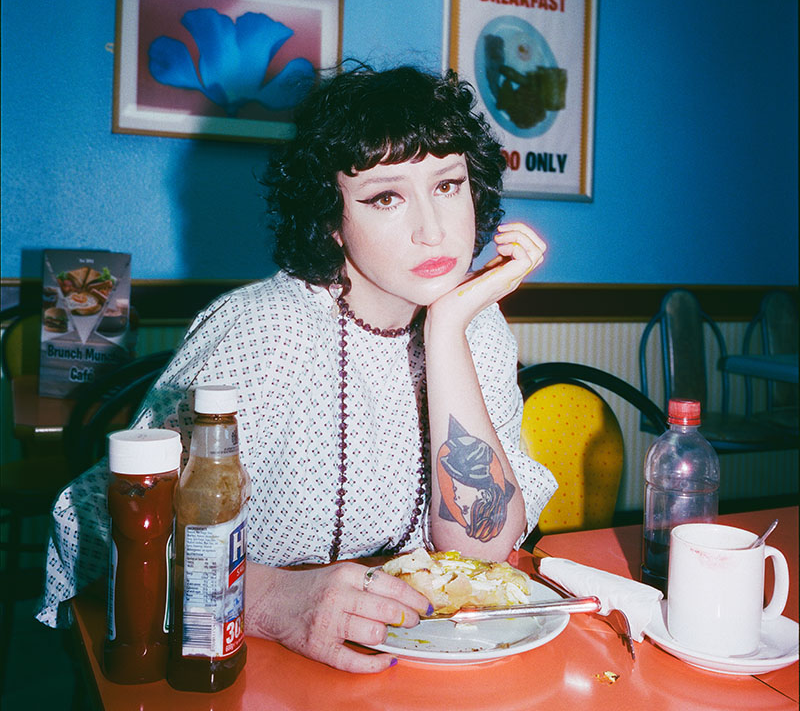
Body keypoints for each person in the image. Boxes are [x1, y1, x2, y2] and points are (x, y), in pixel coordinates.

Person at [36, 63, 557, 672]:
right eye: (386, 197)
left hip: (401, 661)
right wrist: (272, 601)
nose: (433, 231)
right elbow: (109, 529)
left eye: (447, 186)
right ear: (331, 220)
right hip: (230, 653)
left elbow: (481, 548)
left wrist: (446, 332)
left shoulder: (476, 327)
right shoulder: (263, 331)